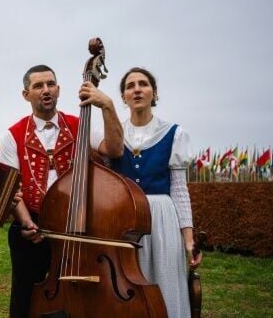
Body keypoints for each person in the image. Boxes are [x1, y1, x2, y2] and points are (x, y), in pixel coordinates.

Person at [0, 64, 123, 317]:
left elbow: (115, 149)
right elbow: (11, 187)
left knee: (79, 296)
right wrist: (24, 222)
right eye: (38, 86)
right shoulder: (13, 135)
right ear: (26, 95)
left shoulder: (80, 125)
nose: (46, 90)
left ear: (58, 89)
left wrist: (108, 106)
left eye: (50, 84)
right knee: (25, 298)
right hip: (31, 224)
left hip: (77, 225)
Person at [83, 67, 203, 318]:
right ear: (123, 97)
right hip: (123, 219)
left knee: (165, 281)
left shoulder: (174, 133)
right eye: (130, 86)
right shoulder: (114, 134)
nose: (136, 89)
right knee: (126, 286)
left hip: (162, 218)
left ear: (154, 93)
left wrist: (188, 240)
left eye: (143, 84)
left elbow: (179, 191)